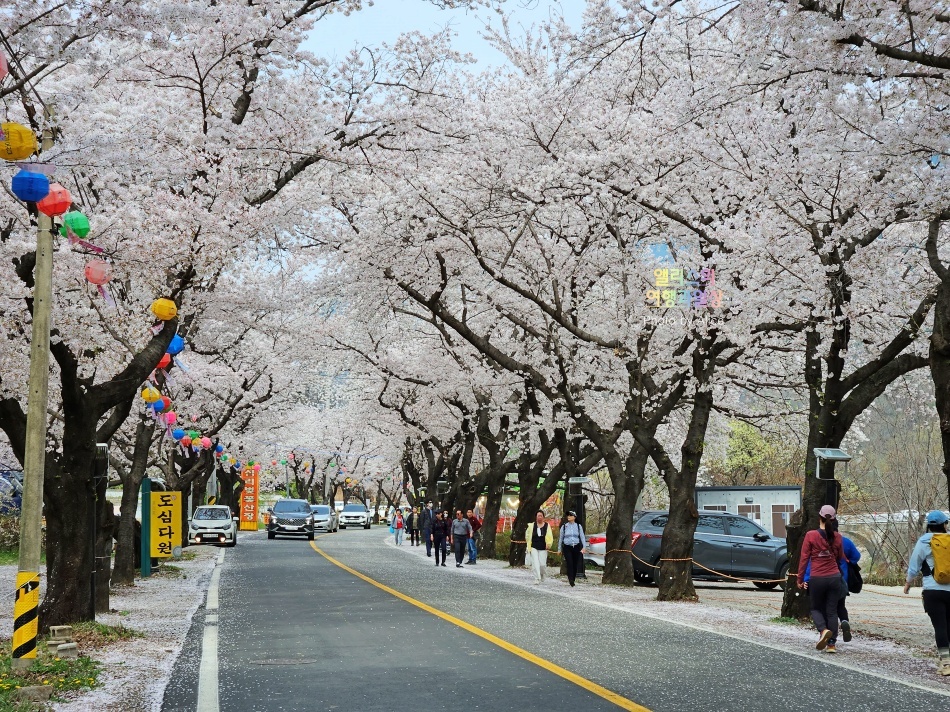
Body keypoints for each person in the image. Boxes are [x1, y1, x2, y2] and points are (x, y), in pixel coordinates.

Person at [904, 510, 950, 675]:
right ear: (945, 524)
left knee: (940, 626)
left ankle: (946, 663)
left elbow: (914, 565)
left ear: (929, 525)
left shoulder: (924, 541)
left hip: (932, 590)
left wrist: (908, 583)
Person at [797, 504, 846, 653]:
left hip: (817, 578)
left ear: (819, 517)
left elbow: (804, 559)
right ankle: (831, 645)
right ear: (834, 519)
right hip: (834, 578)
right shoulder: (838, 537)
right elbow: (840, 556)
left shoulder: (811, 535)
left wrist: (800, 579)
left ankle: (823, 630)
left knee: (815, 608)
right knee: (832, 611)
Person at [805, 534, 861, 643]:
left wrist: (806, 579)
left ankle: (826, 635)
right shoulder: (845, 541)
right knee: (840, 605)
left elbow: (810, 562)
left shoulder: (817, 541)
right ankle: (844, 621)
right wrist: (849, 561)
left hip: (821, 579)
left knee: (824, 609)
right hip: (841, 579)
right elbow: (856, 556)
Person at [557, 511, 587, 587]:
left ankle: (573, 578)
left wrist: (584, 547)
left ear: (574, 517)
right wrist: (559, 549)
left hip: (576, 546)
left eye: (571, 515)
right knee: (569, 562)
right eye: (568, 515)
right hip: (567, 547)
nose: (569, 517)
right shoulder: (564, 527)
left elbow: (582, 537)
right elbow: (560, 538)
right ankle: (570, 579)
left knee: (575, 563)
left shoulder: (578, 526)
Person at [524, 510, 553, 584]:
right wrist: (528, 543)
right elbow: (527, 535)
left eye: (541, 516)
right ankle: (537, 578)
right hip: (534, 547)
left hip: (543, 547)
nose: (540, 517)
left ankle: (542, 574)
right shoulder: (532, 526)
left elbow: (550, 536)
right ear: (536, 517)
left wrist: (549, 544)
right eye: (538, 516)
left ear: (543, 517)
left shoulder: (547, 525)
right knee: (535, 563)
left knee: (542, 564)